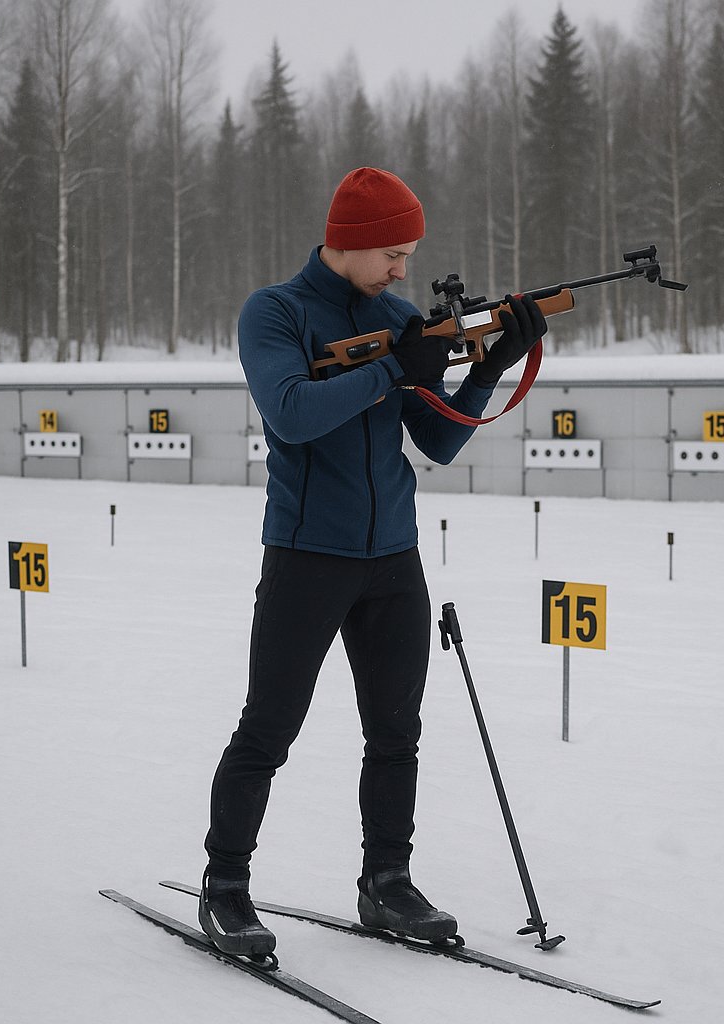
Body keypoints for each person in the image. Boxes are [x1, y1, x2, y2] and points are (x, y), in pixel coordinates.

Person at [199, 167, 548, 956]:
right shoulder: (275, 313)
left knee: (397, 733)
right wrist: (393, 367)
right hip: (306, 555)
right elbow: (291, 413)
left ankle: (386, 883)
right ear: (349, 245)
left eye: (408, 254)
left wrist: (490, 364)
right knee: (269, 730)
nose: (402, 270)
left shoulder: (398, 317)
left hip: (394, 558)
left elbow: (438, 441)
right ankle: (224, 889)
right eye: (392, 253)